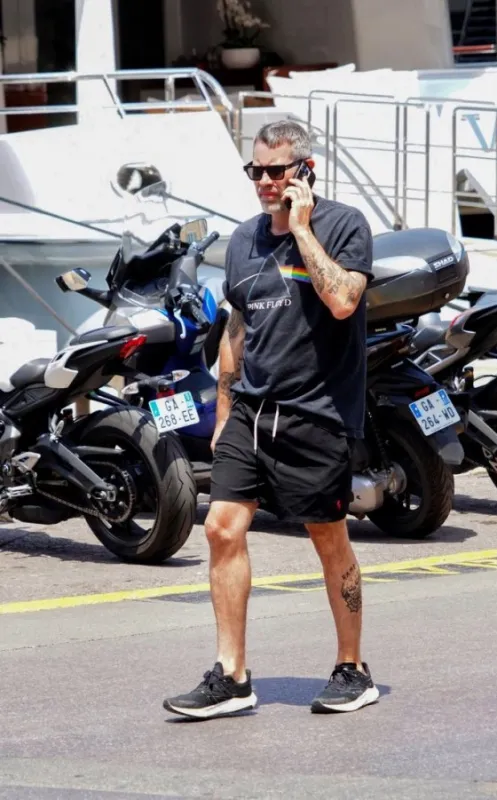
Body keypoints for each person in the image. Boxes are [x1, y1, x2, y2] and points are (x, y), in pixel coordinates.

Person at [163, 120, 378, 719]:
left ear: (305, 170)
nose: (263, 181)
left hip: (317, 413)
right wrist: (225, 413)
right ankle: (232, 676)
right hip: (251, 413)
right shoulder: (242, 241)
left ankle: (352, 668)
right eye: (255, 170)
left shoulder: (343, 225)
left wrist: (301, 229)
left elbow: (343, 300)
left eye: (275, 170)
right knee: (221, 528)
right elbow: (239, 328)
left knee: (326, 538)